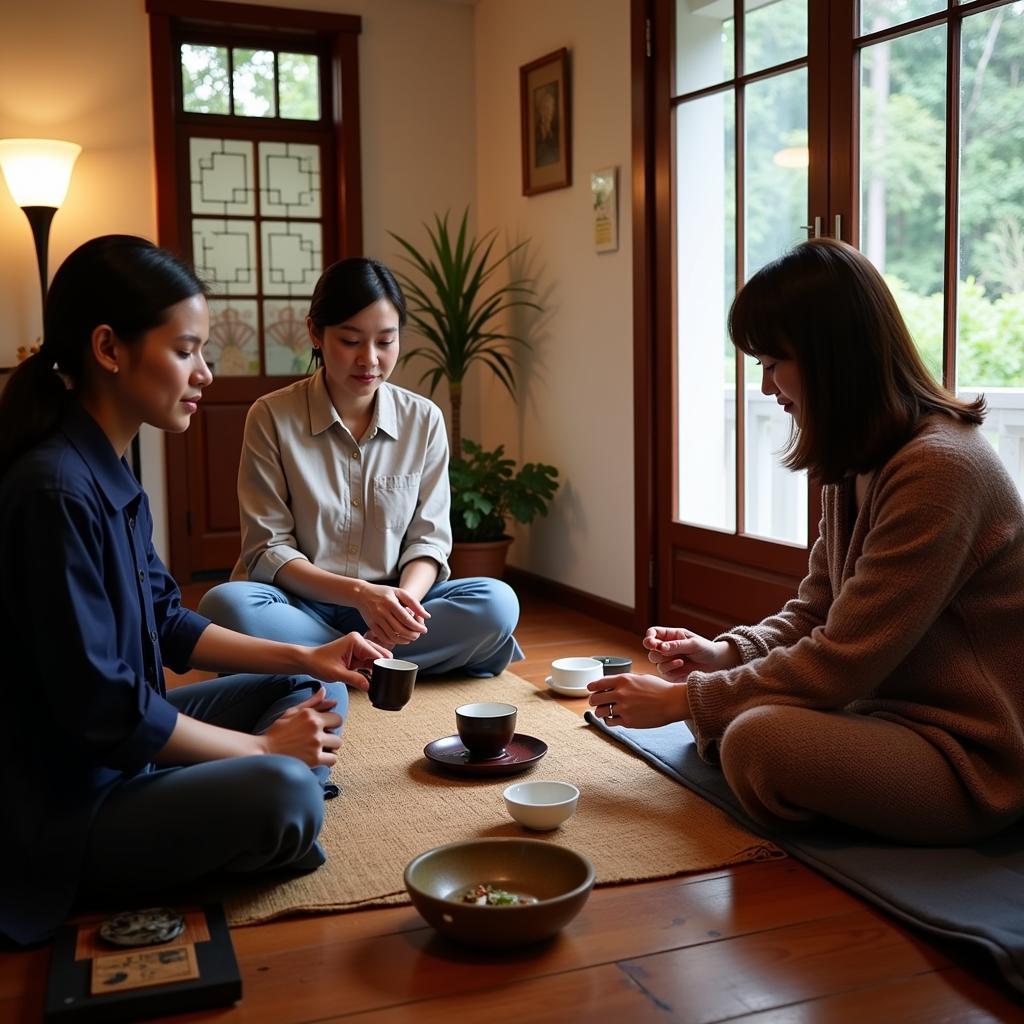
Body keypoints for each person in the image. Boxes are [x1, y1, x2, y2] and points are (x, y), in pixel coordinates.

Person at [0, 236, 392, 947]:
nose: (205, 374)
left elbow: (169, 623)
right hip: (70, 806)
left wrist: (310, 658)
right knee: (287, 792)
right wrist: (264, 751)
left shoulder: (106, 469)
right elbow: (103, 712)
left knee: (321, 694)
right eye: (187, 350)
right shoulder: (54, 489)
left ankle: (240, 791)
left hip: (132, 748)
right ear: (109, 348)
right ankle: (250, 805)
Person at [589, 237, 1024, 845]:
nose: (767, 388)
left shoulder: (941, 469)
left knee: (755, 741)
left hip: (968, 757)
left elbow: (843, 658)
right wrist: (726, 655)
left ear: (832, 357)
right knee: (745, 721)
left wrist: (683, 701)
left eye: (772, 363)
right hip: (877, 713)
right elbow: (818, 609)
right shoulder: (858, 460)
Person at [198, 257, 523, 678]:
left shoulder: (423, 420)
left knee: (497, 602)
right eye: (351, 341)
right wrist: (360, 595)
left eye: (385, 342)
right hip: (299, 605)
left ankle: (323, 662)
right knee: (225, 606)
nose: (369, 359)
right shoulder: (272, 416)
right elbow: (267, 549)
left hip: (392, 609)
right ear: (315, 332)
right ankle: (378, 664)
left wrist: (399, 609)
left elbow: (429, 542)